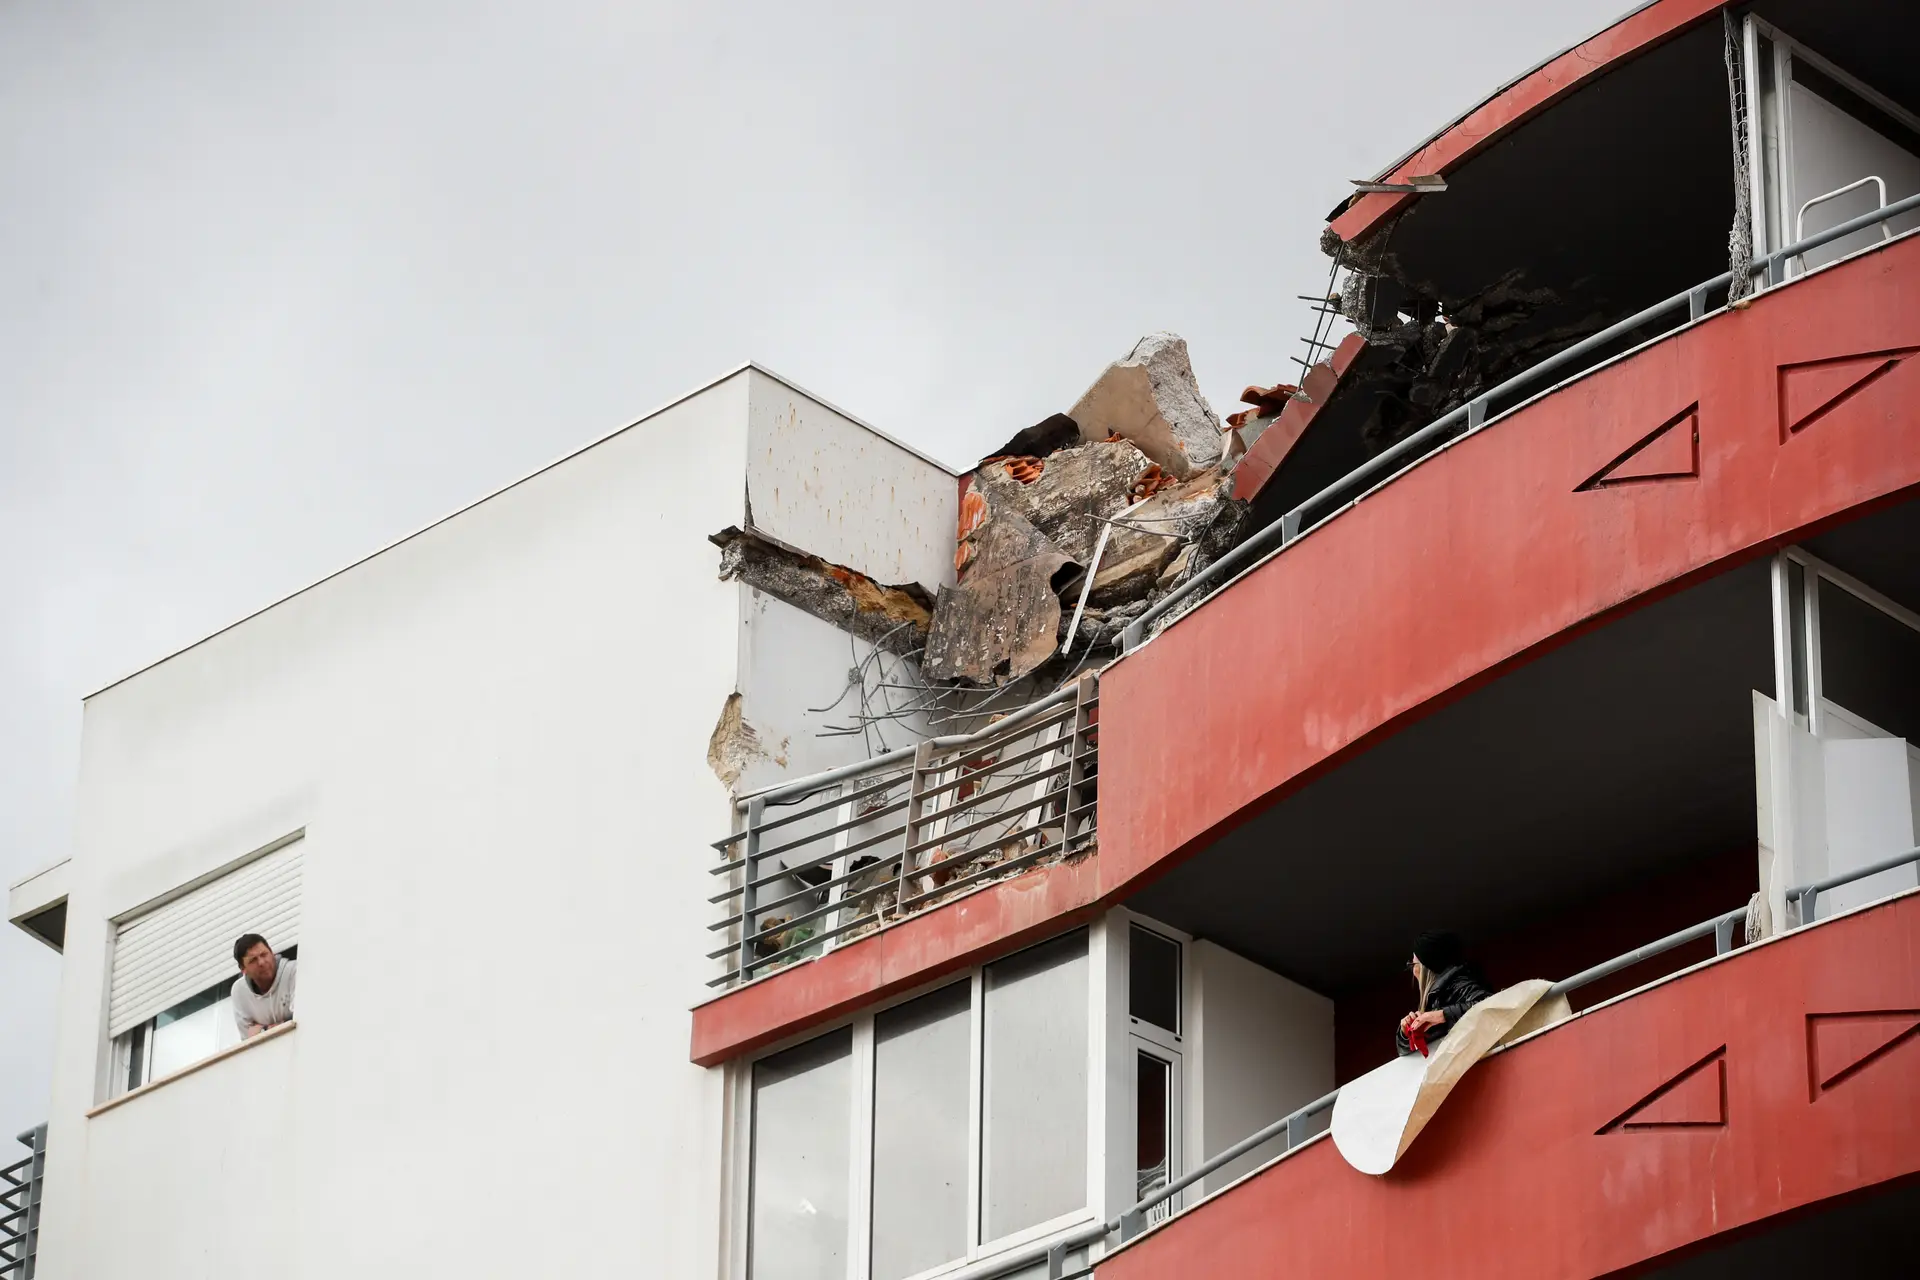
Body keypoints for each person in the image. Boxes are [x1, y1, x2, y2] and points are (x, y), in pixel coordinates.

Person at [1397, 931, 1491, 1056]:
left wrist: (1443, 1014)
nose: (1413, 971)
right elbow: (1408, 1052)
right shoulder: (1437, 998)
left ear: (1427, 969)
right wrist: (1405, 1034)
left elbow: (1491, 1005)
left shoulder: (1456, 985)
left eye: (1413, 965)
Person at [231, 933, 297, 1038]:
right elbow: (248, 1041)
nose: (261, 962)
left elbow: (303, 1020)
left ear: (272, 952)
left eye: (264, 954)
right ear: (243, 969)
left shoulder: (294, 971)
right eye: (253, 960)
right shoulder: (239, 992)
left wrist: (263, 1030)